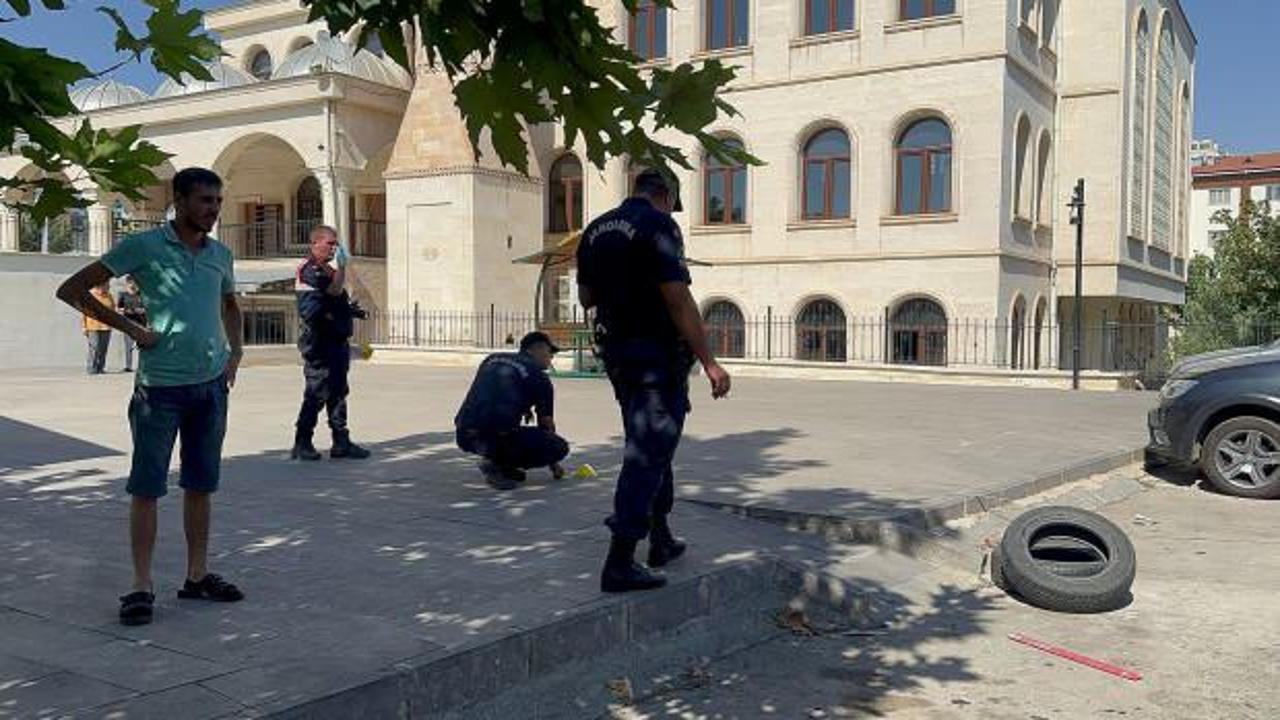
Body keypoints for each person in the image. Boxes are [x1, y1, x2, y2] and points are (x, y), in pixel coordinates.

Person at [55, 167, 245, 626]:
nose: (213, 209)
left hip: (210, 387)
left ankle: (196, 576)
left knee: (201, 485)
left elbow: (230, 303)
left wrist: (235, 354)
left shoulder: (220, 253)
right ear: (178, 200)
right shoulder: (143, 247)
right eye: (204, 200)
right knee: (147, 488)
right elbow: (72, 289)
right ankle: (141, 584)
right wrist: (132, 328)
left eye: (218, 201)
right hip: (159, 390)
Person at [577, 169, 732, 593]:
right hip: (655, 357)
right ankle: (620, 560)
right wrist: (711, 362)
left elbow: (586, 298)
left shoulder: (594, 230)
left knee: (651, 444)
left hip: (618, 357)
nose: (671, 210)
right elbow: (677, 297)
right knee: (646, 455)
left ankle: (660, 537)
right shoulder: (660, 225)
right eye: (672, 203)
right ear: (664, 195)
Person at [290, 225, 370, 461]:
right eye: (330, 243)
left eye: (336, 244)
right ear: (315, 243)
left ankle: (341, 441)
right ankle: (302, 442)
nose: (334, 247)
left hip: (335, 340)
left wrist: (349, 311)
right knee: (316, 392)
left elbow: (334, 299)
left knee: (338, 391)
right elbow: (333, 291)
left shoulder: (325, 268)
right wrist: (343, 267)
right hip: (319, 342)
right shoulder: (309, 268)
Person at [455, 331, 570, 490]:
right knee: (559, 446)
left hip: (465, 434)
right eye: (550, 353)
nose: (551, 358)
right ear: (535, 349)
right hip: (494, 438)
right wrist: (554, 464)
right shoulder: (540, 377)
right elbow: (546, 424)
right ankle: (496, 463)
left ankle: (505, 466)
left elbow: (494, 393)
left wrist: (522, 406)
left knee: (504, 429)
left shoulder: (492, 359)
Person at [83, 282, 115, 374]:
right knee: (94, 346)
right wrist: (84, 327)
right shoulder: (91, 295)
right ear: (101, 285)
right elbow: (84, 312)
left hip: (106, 326)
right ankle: (91, 368)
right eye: (107, 285)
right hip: (93, 326)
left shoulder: (109, 296)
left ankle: (100, 368)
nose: (109, 286)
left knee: (103, 348)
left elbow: (113, 310)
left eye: (109, 285)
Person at [117, 276, 147, 373]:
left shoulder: (141, 295)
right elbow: (118, 308)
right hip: (128, 323)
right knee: (128, 346)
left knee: (142, 346)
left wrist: (141, 311)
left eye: (134, 282)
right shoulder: (123, 295)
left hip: (141, 323)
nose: (132, 285)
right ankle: (128, 366)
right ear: (127, 283)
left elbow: (147, 308)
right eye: (130, 283)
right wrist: (126, 310)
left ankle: (142, 366)